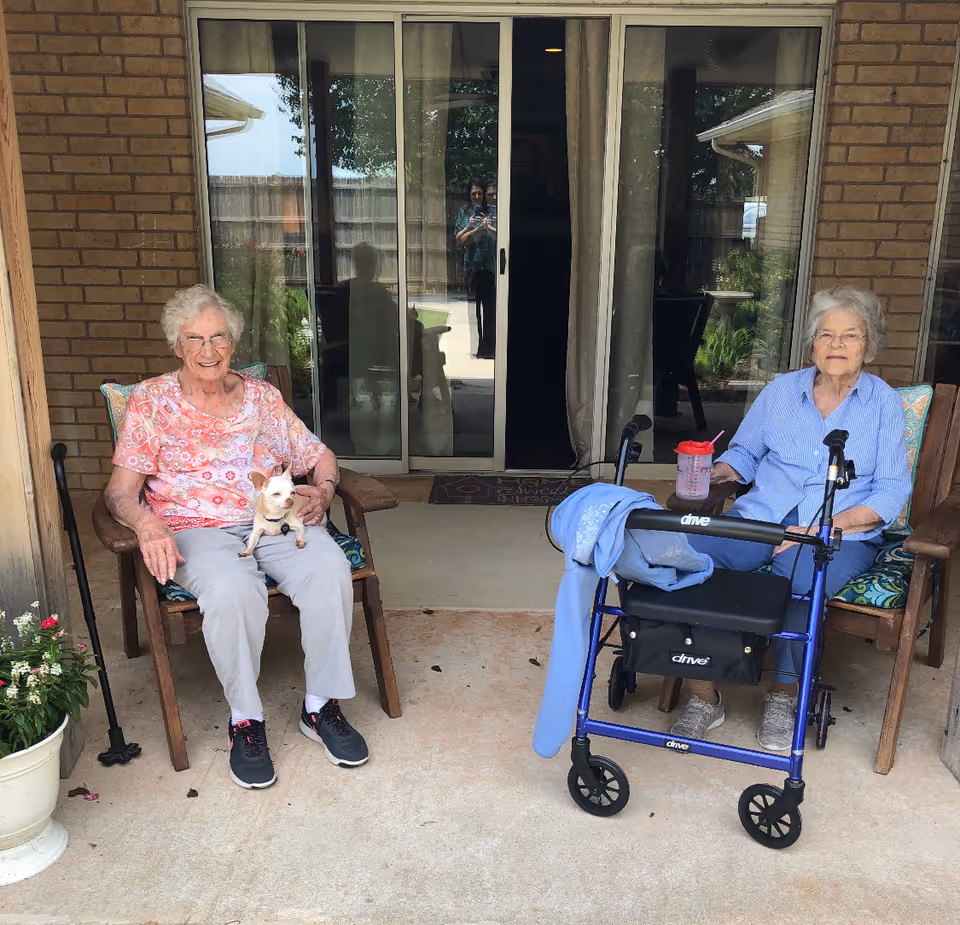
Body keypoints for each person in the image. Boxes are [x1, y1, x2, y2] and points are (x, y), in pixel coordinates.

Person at [104, 284, 368, 790]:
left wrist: (326, 490)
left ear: (234, 341)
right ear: (176, 345)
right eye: (195, 339)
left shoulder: (263, 398)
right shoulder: (151, 401)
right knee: (232, 591)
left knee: (328, 569)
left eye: (218, 337)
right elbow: (119, 492)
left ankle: (320, 707)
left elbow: (318, 453)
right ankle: (246, 720)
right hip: (194, 527)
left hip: (272, 518)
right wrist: (145, 522)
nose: (208, 350)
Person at [669, 287, 912, 752]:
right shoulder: (781, 392)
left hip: (837, 531)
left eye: (850, 336)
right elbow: (746, 450)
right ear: (812, 344)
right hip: (761, 517)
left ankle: (783, 694)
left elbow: (892, 490)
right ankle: (704, 694)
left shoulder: (883, 404)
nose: (836, 345)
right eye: (826, 335)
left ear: (869, 345)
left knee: (803, 574)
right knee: (689, 556)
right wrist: (724, 469)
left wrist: (823, 527)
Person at [455, 177, 497, 359]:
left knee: (491, 309)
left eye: (480, 193)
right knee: (476, 311)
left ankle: (491, 347)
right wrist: (473, 229)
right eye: (474, 194)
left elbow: (503, 236)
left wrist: (488, 228)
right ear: (469, 195)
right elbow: (461, 241)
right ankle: (480, 347)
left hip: (492, 266)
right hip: (473, 266)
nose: (477, 196)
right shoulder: (465, 213)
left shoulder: (494, 212)